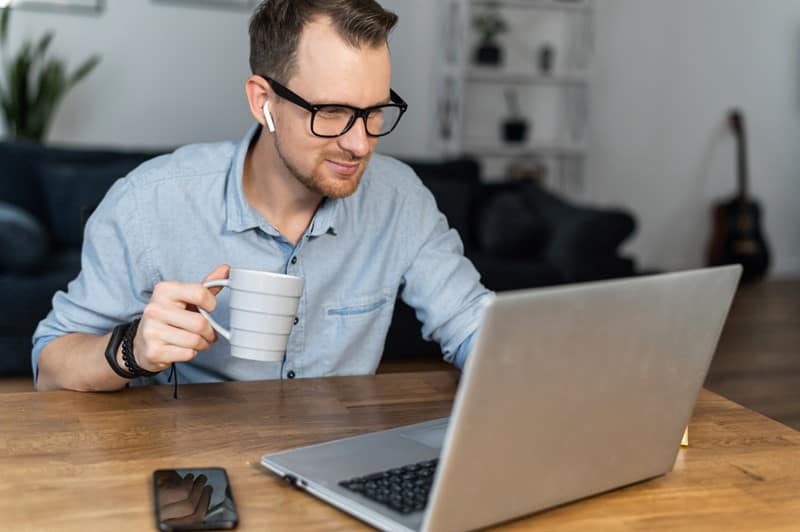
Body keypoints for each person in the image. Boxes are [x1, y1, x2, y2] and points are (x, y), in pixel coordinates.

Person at [33, 0, 491, 392]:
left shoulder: (399, 199)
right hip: (197, 476)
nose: (360, 143)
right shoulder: (147, 203)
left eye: (374, 112)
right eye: (332, 112)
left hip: (336, 462)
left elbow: (474, 326)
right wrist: (130, 349)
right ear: (262, 101)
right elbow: (50, 365)